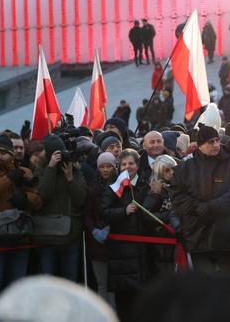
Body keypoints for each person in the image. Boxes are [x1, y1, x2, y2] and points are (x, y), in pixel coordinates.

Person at [170, 124, 230, 272]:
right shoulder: (184, 169)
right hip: (198, 236)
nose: (216, 145)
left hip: (229, 237)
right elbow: (177, 197)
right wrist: (198, 208)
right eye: (210, 142)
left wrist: (212, 206)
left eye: (217, 140)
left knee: (229, 286)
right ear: (200, 146)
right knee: (205, 287)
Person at [0, 137, 43, 303]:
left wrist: (25, 196)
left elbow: (39, 201)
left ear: (11, 155)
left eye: (3, 153)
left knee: (18, 284)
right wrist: (9, 179)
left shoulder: (25, 172)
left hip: (20, 235)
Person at [100, 149, 160, 320]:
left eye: (131, 163)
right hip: (122, 252)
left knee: (144, 299)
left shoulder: (146, 185)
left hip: (144, 250)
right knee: (124, 299)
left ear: (137, 165)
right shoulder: (113, 188)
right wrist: (123, 211)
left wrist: (155, 195)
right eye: (124, 164)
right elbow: (103, 212)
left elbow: (149, 213)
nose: (128, 167)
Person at [35, 135, 88, 282]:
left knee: (70, 278)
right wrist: (51, 168)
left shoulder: (75, 169)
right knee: (48, 279)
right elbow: (43, 195)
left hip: (70, 234)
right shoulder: (40, 170)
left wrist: (70, 178)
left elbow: (81, 199)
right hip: (47, 234)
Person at [84, 151, 117, 308]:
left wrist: (112, 227)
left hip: (117, 240)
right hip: (97, 243)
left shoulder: (120, 186)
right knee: (102, 283)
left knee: (114, 284)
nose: (105, 170)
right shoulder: (93, 187)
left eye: (108, 166)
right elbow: (87, 214)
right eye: (102, 167)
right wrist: (94, 231)